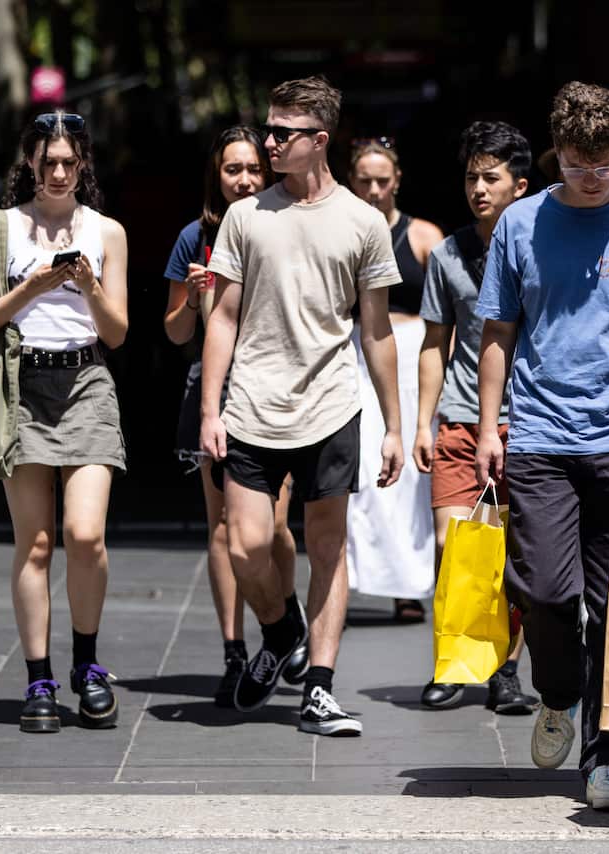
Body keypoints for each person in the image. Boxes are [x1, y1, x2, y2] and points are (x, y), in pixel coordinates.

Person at [475, 82, 609, 812]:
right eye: (577, 162)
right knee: (544, 591)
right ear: (556, 152)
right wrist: (485, 428)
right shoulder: (520, 224)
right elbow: (498, 330)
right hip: (537, 433)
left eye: (606, 163)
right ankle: (559, 692)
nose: (592, 176)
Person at [201, 76, 404, 737]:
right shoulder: (246, 215)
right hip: (253, 405)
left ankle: (319, 686)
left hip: (331, 404)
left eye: (282, 133)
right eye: (268, 129)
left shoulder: (363, 222)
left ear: (318, 142)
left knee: (327, 546)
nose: (269, 142)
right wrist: (211, 409)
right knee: (245, 546)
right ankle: (280, 627)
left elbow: (375, 330)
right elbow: (224, 316)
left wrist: (395, 426)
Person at [0, 111, 129, 733]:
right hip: (20, 386)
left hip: (87, 383)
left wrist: (87, 285)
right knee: (35, 542)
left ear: (83, 163)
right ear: (30, 162)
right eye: (48, 161)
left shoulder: (107, 232)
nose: (59, 172)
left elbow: (116, 332)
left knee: (85, 534)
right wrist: (31, 288)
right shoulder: (0, 227)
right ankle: (39, 678)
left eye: (69, 161)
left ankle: (87, 666)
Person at [163, 126, 304, 708]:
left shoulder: (284, 224)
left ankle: (283, 622)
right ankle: (234, 650)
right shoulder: (194, 237)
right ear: (215, 177)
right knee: (222, 529)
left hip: (276, 392)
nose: (243, 178)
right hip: (213, 394)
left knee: (271, 527)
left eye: (251, 168)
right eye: (231, 169)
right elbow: (175, 334)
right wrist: (196, 300)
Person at [412, 120, 536, 713]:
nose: (479, 189)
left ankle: (504, 669)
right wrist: (421, 422)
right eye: (471, 178)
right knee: (453, 544)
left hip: (530, 421)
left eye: (491, 178)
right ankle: (454, 658)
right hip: (461, 419)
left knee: (513, 556)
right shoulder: (447, 254)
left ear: (521, 185)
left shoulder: (541, 248)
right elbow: (435, 342)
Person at [346, 138, 443, 622]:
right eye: (364, 180)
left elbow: (452, 306)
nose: (374, 189)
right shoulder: (340, 231)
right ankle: (357, 575)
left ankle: (410, 584)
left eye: (382, 180)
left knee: (410, 478)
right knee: (362, 470)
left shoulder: (424, 236)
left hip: (413, 353)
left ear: (397, 180)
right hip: (357, 354)